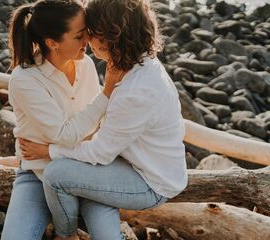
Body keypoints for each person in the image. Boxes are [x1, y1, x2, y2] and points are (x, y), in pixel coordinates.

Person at [18, 0, 188, 239]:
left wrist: (49, 151)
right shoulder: (135, 63)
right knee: (96, 209)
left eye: (91, 32)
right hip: (130, 162)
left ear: (112, 37)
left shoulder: (137, 89)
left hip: (150, 181)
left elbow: (100, 153)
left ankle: (65, 234)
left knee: (57, 174)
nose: (86, 39)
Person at [1, 0, 125, 240]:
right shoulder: (24, 79)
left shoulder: (85, 64)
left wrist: (50, 150)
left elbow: (94, 126)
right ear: (52, 43)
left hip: (87, 169)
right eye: (79, 36)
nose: (88, 41)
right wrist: (107, 93)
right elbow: (67, 134)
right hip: (38, 172)